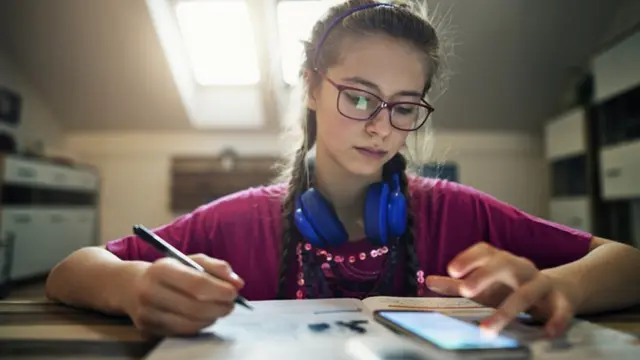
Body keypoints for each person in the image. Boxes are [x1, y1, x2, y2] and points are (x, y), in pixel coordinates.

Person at [45, 0, 640, 339]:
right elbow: (71, 270)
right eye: (359, 96)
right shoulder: (239, 221)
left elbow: (628, 261)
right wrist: (134, 286)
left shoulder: (459, 212)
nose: (381, 125)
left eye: (404, 106)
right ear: (309, 86)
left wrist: (561, 286)